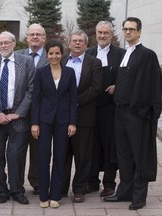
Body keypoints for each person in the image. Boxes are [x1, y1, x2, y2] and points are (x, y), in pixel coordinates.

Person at [103, 17, 162, 210]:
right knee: (124, 156)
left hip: (136, 114)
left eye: (131, 29)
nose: (127, 32)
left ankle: (139, 196)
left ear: (139, 32)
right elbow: (129, 79)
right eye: (125, 29)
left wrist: (142, 112)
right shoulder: (126, 53)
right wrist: (118, 87)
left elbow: (149, 85)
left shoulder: (147, 55)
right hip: (120, 112)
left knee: (139, 155)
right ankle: (124, 192)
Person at [0, 31, 35, 204]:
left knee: (16, 157)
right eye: (0, 43)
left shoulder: (26, 61)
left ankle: (17, 191)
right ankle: (1, 191)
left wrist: (18, 113)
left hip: (18, 117)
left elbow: (31, 89)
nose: (4, 46)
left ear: (14, 44)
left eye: (7, 43)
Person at [31, 39, 77, 208]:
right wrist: (34, 123)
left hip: (63, 121)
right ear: (47, 54)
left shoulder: (70, 73)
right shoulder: (41, 72)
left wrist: (73, 122)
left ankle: (55, 195)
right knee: (43, 157)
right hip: (44, 121)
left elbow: (73, 99)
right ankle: (44, 195)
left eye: (57, 53)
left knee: (60, 157)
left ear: (62, 54)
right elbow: (35, 99)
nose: (54, 56)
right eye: (51, 53)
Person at [86, 21, 126, 197]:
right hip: (90, 107)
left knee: (110, 146)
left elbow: (128, 77)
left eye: (106, 33)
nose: (102, 36)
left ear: (112, 34)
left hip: (110, 108)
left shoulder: (121, 54)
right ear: (95, 34)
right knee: (91, 146)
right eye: (99, 32)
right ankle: (92, 182)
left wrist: (118, 86)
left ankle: (109, 183)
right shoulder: (88, 53)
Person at [62, 30, 103, 202]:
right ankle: (60, 188)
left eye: (81, 41)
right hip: (62, 117)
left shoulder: (94, 62)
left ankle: (79, 188)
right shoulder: (61, 60)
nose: (77, 43)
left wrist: (75, 102)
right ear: (69, 43)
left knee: (82, 155)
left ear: (86, 45)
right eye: (74, 40)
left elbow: (96, 88)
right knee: (62, 154)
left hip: (84, 116)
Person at [16, 23, 49, 195]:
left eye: (39, 34)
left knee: (39, 150)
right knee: (18, 150)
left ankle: (36, 182)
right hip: (20, 113)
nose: (35, 37)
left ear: (44, 38)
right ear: (27, 37)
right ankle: (16, 183)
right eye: (32, 34)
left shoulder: (52, 56)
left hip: (43, 113)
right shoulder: (16, 55)